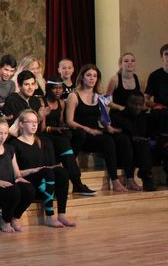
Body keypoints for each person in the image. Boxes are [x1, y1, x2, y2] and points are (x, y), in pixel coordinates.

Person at [66, 64, 134, 192]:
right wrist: (88, 129)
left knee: (123, 139)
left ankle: (130, 178)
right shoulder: (73, 96)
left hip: (96, 132)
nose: (92, 78)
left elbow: (103, 119)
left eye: (95, 76)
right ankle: (115, 180)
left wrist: (110, 128)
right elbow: (70, 121)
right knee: (108, 141)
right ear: (82, 77)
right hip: (82, 134)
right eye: (88, 75)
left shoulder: (100, 96)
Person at [9, 110, 74, 228]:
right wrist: (35, 170)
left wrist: (54, 167)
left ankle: (62, 214)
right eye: (30, 122)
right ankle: (49, 216)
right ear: (21, 124)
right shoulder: (14, 144)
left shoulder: (44, 142)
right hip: (29, 185)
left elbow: (49, 167)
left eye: (36, 122)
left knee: (62, 172)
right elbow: (15, 173)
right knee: (47, 172)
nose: (34, 125)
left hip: (46, 183)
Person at [43, 79, 96, 196]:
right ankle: (77, 182)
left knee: (78, 134)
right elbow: (41, 127)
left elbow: (61, 121)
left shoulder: (61, 103)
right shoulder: (42, 101)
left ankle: (67, 162)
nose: (58, 91)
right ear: (48, 89)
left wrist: (65, 128)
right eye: (55, 88)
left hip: (57, 131)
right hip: (46, 132)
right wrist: (53, 129)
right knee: (63, 142)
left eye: (60, 88)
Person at [111, 93, 158, 191]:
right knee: (133, 142)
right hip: (123, 153)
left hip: (140, 153)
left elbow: (148, 134)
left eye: (140, 104)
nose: (137, 107)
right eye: (134, 104)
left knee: (144, 144)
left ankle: (146, 177)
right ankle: (143, 176)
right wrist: (133, 137)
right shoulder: (118, 117)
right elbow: (118, 137)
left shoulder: (144, 117)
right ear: (128, 103)